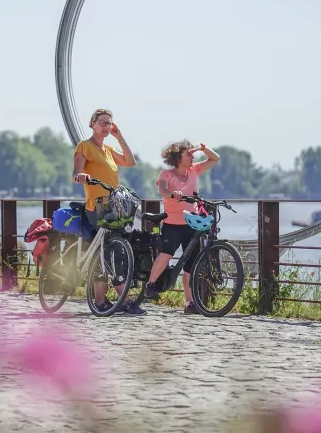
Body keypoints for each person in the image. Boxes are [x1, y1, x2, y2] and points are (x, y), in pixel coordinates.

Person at [72, 108, 145, 316]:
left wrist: (119, 137)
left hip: (114, 206)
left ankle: (105, 299)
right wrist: (81, 176)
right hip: (96, 206)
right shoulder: (84, 147)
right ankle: (118, 300)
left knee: (112, 249)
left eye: (109, 123)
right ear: (92, 124)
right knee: (108, 251)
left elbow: (131, 162)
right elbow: (76, 172)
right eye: (102, 122)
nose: (106, 126)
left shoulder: (109, 150)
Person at [144, 140, 220, 314]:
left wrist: (203, 148)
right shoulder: (166, 174)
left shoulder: (194, 170)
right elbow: (162, 190)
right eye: (189, 154)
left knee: (191, 265)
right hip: (172, 224)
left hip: (191, 224)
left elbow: (215, 159)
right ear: (178, 157)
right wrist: (172, 194)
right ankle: (151, 284)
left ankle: (189, 303)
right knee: (167, 253)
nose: (192, 157)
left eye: (193, 154)